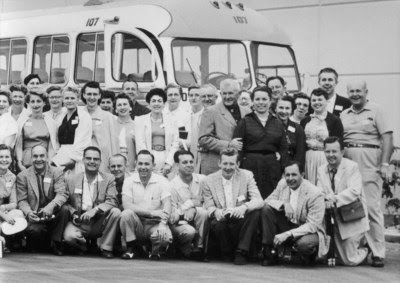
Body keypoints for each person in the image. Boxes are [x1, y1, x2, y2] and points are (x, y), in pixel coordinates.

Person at [340, 79, 393, 267]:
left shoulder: (376, 110)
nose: (355, 94)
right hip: (348, 160)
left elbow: (387, 138)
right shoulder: (343, 114)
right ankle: (359, 247)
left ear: (366, 92)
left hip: (370, 160)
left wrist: (385, 164)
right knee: (352, 206)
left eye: (358, 91)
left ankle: (378, 252)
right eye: (351, 91)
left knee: (371, 207)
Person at [202, 148, 264, 265]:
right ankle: (227, 252)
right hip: (222, 219)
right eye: (225, 163)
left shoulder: (247, 175)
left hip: (240, 218)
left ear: (238, 164)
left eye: (232, 164)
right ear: (219, 163)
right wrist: (217, 212)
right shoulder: (208, 180)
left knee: (255, 213)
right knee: (216, 223)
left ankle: (242, 251)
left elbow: (259, 200)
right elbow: (209, 206)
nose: (228, 167)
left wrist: (244, 207)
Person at [261, 161, 328, 266]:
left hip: (308, 231)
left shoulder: (315, 193)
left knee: (304, 244)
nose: (290, 178)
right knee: (266, 210)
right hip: (288, 224)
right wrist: (284, 204)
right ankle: (269, 252)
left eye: (294, 175)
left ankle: (309, 256)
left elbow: (313, 225)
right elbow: (267, 201)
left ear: (302, 175)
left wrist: (288, 234)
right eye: (287, 175)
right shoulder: (282, 184)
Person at [317, 136, 369, 266]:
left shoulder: (352, 167)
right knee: (327, 256)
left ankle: (367, 249)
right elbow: (320, 191)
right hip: (333, 219)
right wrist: (324, 199)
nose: (331, 155)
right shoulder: (321, 169)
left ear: (342, 151)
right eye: (327, 151)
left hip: (352, 217)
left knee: (349, 260)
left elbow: (354, 191)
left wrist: (333, 199)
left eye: (334, 151)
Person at [63, 146, 121, 258]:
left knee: (116, 212)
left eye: (96, 159)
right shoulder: (71, 179)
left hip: (99, 220)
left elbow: (113, 200)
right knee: (69, 237)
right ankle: (85, 247)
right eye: (89, 158)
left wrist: (95, 211)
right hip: (80, 221)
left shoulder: (109, 178)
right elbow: (66, 202)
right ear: (83, 160)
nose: (92, 161)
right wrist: (74, 213)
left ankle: (106, 247)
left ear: (100, 161)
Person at [233, 86, 288, 199]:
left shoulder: (277, 123)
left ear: (270, 101)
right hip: (250, 167)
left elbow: (283, 148)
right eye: (257, 99)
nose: (261, 103)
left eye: (264, 99)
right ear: (252, 101)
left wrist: (283, 169)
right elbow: (237, 149)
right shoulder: (245, 122)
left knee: (270, 201)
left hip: (272, 169)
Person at [16, 145, 70, 255]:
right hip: (35, 215)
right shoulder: (22, 176)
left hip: (53, 212)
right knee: (35, 232)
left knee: (65, 209)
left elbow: (62, 194)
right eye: (35, 156)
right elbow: (22, 200)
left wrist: (51, 206)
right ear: (31, 158)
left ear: (47, 157)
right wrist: (29, 212)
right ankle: (39, 242)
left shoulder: (57, 172)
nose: (39, 159)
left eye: (42, 156)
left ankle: (56, 242)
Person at [119, 150, 173, 260]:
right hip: (137, 223)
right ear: (136, 164)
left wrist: (163, 224)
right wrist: (151, 213)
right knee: (126, 214)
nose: (143, 167)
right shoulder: (129, 180)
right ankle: (131, 249)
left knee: (165, 238)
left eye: (147, 164)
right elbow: (127, 205)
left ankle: (154, 249)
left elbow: (167, 204)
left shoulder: (162, 181)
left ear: (153, 165)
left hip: (155, 224)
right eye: (140, 163)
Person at [198, 79, 251, 175]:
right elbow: (203, 139)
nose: (227, 97)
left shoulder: (247, 112)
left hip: (241, 166)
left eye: (230, 93)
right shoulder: (211, 111)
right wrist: (228, 145)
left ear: (238, 94)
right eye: (224, 94)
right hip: (217, 166)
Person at [169, 150, 208, 260]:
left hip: (200, 220)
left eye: (191, 162)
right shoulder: (171, 186)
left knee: (203, 212)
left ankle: (198, 249)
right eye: (185, 162)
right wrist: (189, 204)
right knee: (188, 232)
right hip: (179, 223)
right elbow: (172, 216)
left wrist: (194, 209)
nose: (189, 165)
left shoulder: (203, 180)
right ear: (177, 165)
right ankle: (179, 249)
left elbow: (209, 202)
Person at [300, 88, 343, 185]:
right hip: (308, 159)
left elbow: (339, 143)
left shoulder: (334, 120)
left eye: (320, 100)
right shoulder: (305, 120)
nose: (317, 102)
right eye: (314, 100)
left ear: (326, 101)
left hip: (326, 158)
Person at [135, 88, 179, 177]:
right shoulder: (140, 120)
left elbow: (176, 143)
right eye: (153, 101)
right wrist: (147, 162)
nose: (156, 104)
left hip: (167, 156)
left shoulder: (172, 120)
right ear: (149, 103)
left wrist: (169, 163)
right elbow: (140, 143)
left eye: (159, 101)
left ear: (164, 103)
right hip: (148, 155)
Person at [15, 90, 59, 172]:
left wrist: (50, 162)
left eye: (38, 101)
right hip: (27, 160)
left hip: (44, 159)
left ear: (44, 103)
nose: (35, 105)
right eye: (32, 101)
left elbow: (52, 145)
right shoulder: (22, 121)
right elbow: (19, 145)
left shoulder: (51, 122)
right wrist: (19, 162)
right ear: (28, 104)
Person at [51, 87, 92, 173]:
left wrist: (72, 159)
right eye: (67, 98)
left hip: (76, 159)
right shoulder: (60, 116)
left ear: (78, 99)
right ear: (63, 100)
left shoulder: (84, 117)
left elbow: (83, 142)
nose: (69, 101)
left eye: (72, 98)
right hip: (61, 154)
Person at [81, 81, 120, 173]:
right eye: (89, 94)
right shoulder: (78, 115)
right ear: (84, 95)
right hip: (81, 160)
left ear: (99, 96)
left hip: (103, 161)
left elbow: (114, 142)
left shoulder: (108, 117)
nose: (92, 97)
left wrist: (114, 162)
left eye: (95, 94)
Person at [0, 144, 24, 250]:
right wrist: (4, 216)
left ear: (11, 159)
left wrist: (3, 209)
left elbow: (14, 203)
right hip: (2, 214)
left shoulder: (12, 177)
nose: (4, 160)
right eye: (1, 157)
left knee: (19, 214)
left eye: (7, 157)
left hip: (2, 209)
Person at [276, 96, 306, 167]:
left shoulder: (298, 128)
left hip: (291, 169)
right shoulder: (269, 126)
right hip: (274, 166)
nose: (284, 111)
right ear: (275, 108)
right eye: (281, 107)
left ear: (292, 110)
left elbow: (300, 154)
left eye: (287, 108)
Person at [115, 93, 136, 172]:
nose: (122, 107)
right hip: (114, 163)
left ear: (130, 107)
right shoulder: (111, 125)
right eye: (119, 105)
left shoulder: (137, 125)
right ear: (115, 109)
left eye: (125, 104)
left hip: (131, 163)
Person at [186, 85, 204, 173]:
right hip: (187, 153)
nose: (193, 98)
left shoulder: (206, 114)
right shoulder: (185, 115)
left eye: (197, 95)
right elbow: (182, 133)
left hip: (201, 154)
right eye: (191, 95)